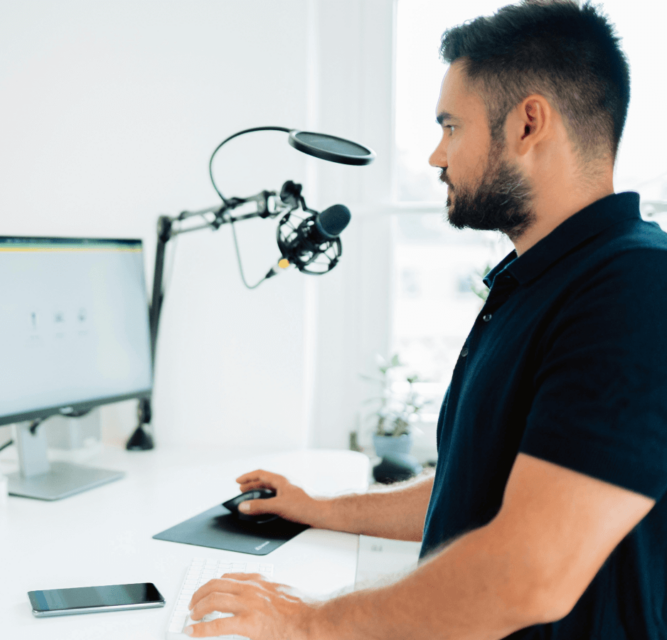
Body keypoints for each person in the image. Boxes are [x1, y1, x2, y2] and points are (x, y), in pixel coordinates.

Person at [187, 2, 667, 638]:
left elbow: (530, 573)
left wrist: (305, 623)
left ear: (529, 123)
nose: (437, 156)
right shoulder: (540, 282)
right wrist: (321, 508)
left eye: (451, 126)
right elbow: (477, 488)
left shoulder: (634, 287)